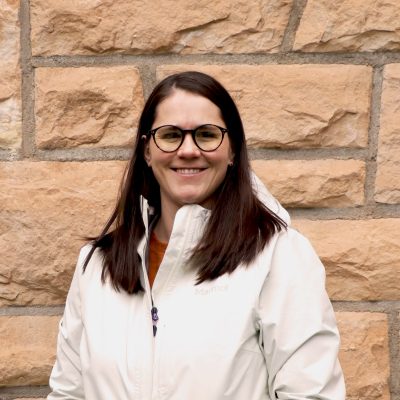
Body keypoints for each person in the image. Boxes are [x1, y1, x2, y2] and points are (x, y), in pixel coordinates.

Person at [48, 71, 345, 399]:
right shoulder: (97, 266)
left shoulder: (278, 257)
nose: (188, 150)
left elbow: (311, 393)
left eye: (206, 135)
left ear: (232, 150)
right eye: (171, 135)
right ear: (147, 151)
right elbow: (68, 393)